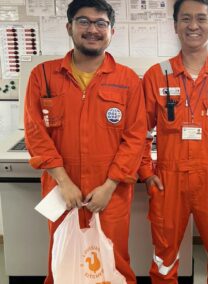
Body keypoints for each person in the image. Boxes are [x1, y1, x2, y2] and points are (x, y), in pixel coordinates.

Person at [24, 0, 147, 283]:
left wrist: (110, 185)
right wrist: (64, 182)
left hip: (110, 193)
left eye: (101, 23)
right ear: (69, 27)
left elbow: (135, 137)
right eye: (84, 22)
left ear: (111, 31)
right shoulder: (43, 76)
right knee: (62, 258)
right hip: (61, 190)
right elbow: (35, 133)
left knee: (113, 262)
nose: (92, 29)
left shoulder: (127, 80)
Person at [138, 0, 208, 282]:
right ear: (175, 26)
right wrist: (147, 174)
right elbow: (138, 132)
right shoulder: (155, 75)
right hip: (168, 180)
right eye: (185, 19)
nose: (193, 26)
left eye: (201, 18)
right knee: (163, 261)